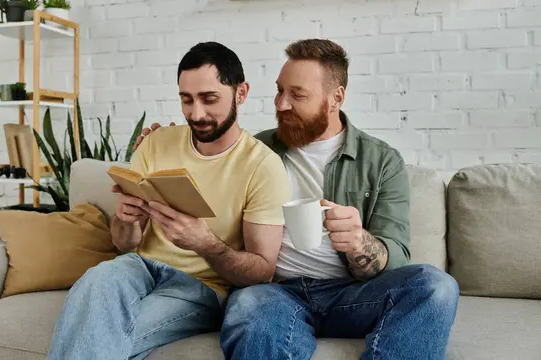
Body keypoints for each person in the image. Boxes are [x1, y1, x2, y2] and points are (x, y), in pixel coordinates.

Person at [135, 39, 460, 360]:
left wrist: (360, 242)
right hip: (276, 290)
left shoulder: (381, 161)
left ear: (336, 98)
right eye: (279, 90)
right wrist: (167, 140)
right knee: (250, 306)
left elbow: (398, 256)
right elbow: (204, 155)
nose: (281, 104)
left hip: (350, 293)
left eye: (297, 95)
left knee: (435, 286)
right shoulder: (256, 151)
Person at [48, 42, 291, 360]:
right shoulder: (156, 142)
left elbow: (263, 271)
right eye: (186, 100)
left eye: (209, 99)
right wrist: (125, 219)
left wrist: (206, 244)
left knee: (99, 335)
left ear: (241, 92)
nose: (196, 113)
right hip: (139, 266)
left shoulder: (263, 166)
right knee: (96, 278)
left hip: (201, 286)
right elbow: (125, 244)